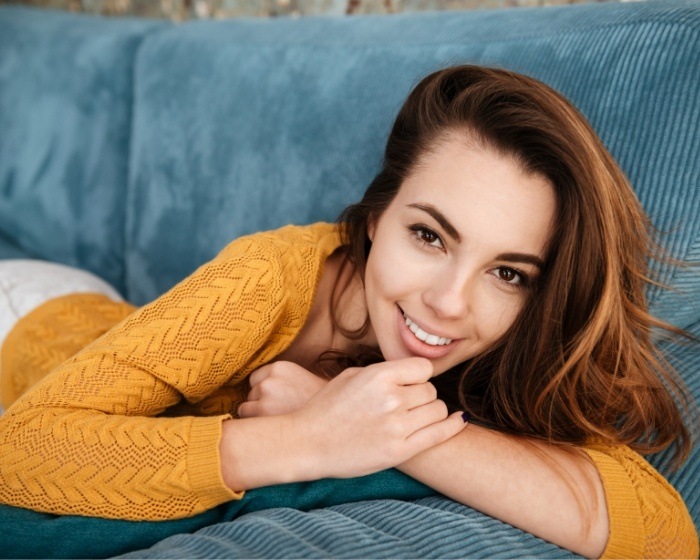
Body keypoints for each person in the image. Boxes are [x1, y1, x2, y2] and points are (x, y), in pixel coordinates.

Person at [0, 65, 696, 558]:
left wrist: (376, 425)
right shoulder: (269, 276)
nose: (449, 303)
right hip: (25, 313)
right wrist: (309, 441)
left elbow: (665, 535)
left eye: (507, 272)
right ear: (373, 221)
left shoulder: (510, 346)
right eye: (428, 235)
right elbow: (19, 448)